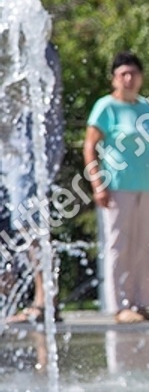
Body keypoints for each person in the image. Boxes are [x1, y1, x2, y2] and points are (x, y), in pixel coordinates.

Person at [84, 51, 149, 324]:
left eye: (133, 73)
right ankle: (119, 305)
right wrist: (97, 183)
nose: (129, 79)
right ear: (114, 79)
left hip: (145, 185)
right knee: (118, 244)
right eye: (123, 74)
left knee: (145, 245)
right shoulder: (105, 107)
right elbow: (89, 147)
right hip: (116, 186)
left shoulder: (146, 108)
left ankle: (141, 302)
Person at [2, 33, 64, 326]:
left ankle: (45, 300)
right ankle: (13, 302)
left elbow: (37, 105)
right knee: (11, 232)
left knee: (29, 225)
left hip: (27, 156)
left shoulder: (38, 51)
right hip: (10, 155)